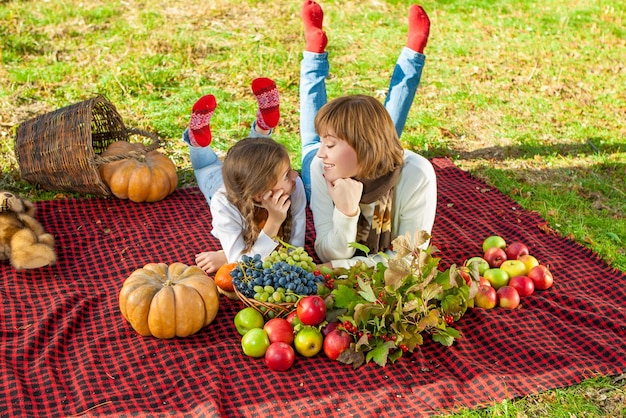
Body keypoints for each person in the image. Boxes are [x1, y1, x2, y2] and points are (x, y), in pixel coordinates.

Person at [299, 1, 437, 268]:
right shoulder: (320, 166)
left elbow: (410, 259)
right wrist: (346, 211)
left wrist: (342, 268)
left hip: (374, 159)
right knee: (313, 138)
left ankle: (412, 54)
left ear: (361, 148)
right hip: (346, 162)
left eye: (328, 144)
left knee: (383, 129)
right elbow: (329, 253)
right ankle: (312, 53)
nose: (321, 151)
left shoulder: (416, 176)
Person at [183, 78, 307, 274]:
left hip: (247, 173)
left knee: (257, 154)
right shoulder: (223, 202)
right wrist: (274, 222)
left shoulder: (294, 185)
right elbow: (243, 266)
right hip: (217, 184)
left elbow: (296, 249)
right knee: (205, 167)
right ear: (260, 195)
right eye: (286, 175)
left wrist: (226, 255)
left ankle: (263, 127)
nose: (295, 175)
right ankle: (197, 141)